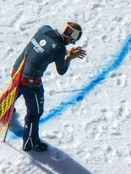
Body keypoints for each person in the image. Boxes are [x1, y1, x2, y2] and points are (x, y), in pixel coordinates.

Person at [11, 22, 87, 152]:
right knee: (35, 114)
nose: (72, 43)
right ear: (71, 38)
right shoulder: (60, 49)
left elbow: (46, 50)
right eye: (73, 40)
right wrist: (68, 57)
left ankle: (1, 111)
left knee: (14, 92)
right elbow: (61, 70)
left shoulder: (45, 28)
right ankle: (30, 143)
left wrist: (63, 53)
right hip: (30, 81)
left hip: (17, 70)